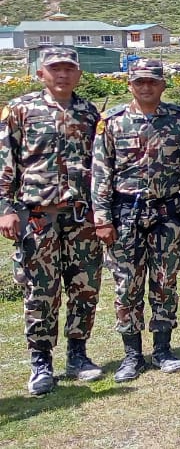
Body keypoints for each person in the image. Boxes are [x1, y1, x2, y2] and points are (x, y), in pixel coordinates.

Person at [0, 47, 104, 395]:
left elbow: (101, 164)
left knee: (84, 288)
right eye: (54, 69)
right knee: (40, 292)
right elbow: (6, 162)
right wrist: (6, 208)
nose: (62, 75)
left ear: (78, 74)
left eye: (68, 69)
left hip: (81, 217)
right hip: (38, 217)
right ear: (40, 73)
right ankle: (41, 362)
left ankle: (78, 354)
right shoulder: (20, 109)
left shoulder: (89, 112)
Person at [92, 59, 180, 381]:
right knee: (127, 285)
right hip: (124, 214)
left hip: (167, 213)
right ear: (129, 85)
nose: (145, 87)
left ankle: (163, 349)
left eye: (152, 82)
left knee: (165, 282)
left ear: (162, 85)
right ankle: (131, 355)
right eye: (139, 82)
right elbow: (101, 173)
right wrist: (102, 218)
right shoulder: (112, 122)